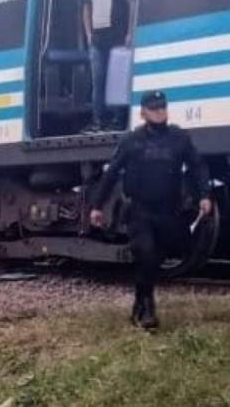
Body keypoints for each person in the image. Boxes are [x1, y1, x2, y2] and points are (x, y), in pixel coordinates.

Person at [89, 90, 212, 331]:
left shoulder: (179, 138)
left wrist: (205, 195)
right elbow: (112, 173)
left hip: (168, 210)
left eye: (163, 108)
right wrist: (97, 206)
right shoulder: (131, 141)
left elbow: (198, 166)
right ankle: (147, 308)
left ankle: (139, 301)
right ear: (143, 112)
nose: (160, 112)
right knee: (145, 253)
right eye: (154, 109)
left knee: (156, 259)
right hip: (139, 209)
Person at [80, 0, 137, 132]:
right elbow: (86, 8)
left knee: (118, 80)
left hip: (119, 37)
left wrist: (130, 32)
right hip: (97, 40)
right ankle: (99, 122)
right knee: (98, 80)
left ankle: (118, 122)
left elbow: (132, 5)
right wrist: (88, 34)